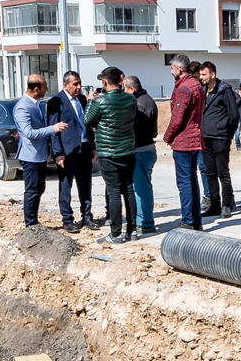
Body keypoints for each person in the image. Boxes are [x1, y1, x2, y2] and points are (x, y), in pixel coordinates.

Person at [86, 67, 138, 243]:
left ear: (105, 82)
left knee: (114, 190)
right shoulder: (131, 100)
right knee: (129, 188)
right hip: (128, 151)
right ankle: (132, 231)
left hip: (109, 152)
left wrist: (90, 102)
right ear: (121, 81)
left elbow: (88, 121)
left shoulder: (100, 102)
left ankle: (115, 233)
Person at [13, 73, 69, 226]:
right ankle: (30, 224)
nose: (47, 89)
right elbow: (29, 133)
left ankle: (33, 221)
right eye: (45, 86)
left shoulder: (36, 103)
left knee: (39, 188)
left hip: (39, 155)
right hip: (30, 156)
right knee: (32, 190)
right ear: (36, 89)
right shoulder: (22, 107)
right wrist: (53, 129)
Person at [49, 70, 95, 231]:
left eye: (80, 83)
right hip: (67, 150)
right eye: (75, 84)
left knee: (85, 184)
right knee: (66, 185)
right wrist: (58, 152)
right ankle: (67, 219)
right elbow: (54, 130)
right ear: (65, 85)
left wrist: (93, 147)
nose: (79, 87)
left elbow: (87, 124)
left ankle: (87, 216)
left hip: (84, 147)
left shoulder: (82, 99)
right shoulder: (56, 101)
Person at [164, 54, 206, 231]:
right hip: (195, 138)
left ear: (179, 69)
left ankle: (188, 220)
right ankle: (196, 220)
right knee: (192, 179)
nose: (171, 71)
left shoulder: (183, 88)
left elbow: (177, 118)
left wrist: (167, 137)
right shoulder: (197, 85)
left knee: (184, 182)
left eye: (172, 68)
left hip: (184, 140)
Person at [198, 60, 240, 220]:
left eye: (204, 74)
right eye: (200, 74)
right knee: (210, 173)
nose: (201, 77)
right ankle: (214, 205)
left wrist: (227, 134)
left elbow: (234, 115)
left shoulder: (224, 90)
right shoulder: (203, 91)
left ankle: (226, 205)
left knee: (223, 172)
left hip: (220, 138)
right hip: (205, 139)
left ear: (212, 74)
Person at [126, 74, 159, 237]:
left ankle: (146, 222)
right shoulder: (145, 100)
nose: (123, 92)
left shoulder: (141, 104)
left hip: (141, 149)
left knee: (141, 188)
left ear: (132, 89)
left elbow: (138, 131)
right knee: (141, 186)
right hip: (146, 148)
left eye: (125, 89)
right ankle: (143, 220)